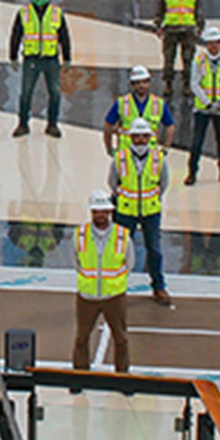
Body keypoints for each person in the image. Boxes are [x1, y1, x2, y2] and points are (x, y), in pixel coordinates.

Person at [71, 191, 133, 379]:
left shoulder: (122, 236)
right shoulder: (80, 235)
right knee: (82, 338)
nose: (101, 215)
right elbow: (76, 262)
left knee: (121, 339)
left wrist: (113, 283)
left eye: (104, 211)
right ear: (92, 212)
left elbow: (129, 263)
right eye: (97, 211)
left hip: (114, 297)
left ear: (109, 211)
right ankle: (80, 376)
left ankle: (122, 377)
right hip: (87, 297)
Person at [109, 118, 171, 306]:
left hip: (150, 211)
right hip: (125, 210)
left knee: (154, 249)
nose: (141, 140)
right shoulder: (119, 158)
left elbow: (164, 183)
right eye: (137, 137)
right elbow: (113, 182)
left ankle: (158, 286)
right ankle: (115, 287)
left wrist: (152, 199)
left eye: (145, 136)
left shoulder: (159, 158)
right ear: (131, 137)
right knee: (120, 250)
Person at [9, 0, 72, 138]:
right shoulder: (24, 13)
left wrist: (67, 58)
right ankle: (23, 124)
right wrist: (13, 56)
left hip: (51, 59)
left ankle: (52, 125)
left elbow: (64, 36)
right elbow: (16, 35)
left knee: (55, 93)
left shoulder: (56, 14)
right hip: (31, 59)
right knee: (26, 93)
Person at [186, 27, 220, 187]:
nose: (214, 46)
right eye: (210, 43)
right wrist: (207, 102)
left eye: (217, 43)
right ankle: (192, 173)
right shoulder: (198, 61)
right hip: (202, 108)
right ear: (206, 44)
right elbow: (194, 83)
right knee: (197, 142)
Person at [155, 0, 203, 98]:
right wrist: (158, 25)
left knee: (188, 59)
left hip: (188, 29)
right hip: (171, 29)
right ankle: (168, 84)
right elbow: (160, 10)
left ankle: (187, 84)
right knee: (169, 58)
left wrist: (200, 26)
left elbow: (198, 10)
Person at [102, 65, 174, 155]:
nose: (142, 85)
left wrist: (166, 147)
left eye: (145, 82)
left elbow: (170, 126)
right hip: (126, 153)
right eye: (138, 82)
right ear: (132, 84)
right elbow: (108, 126)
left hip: (150, 154)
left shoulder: (158, 103)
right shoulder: (122, 103)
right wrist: (109, 148)